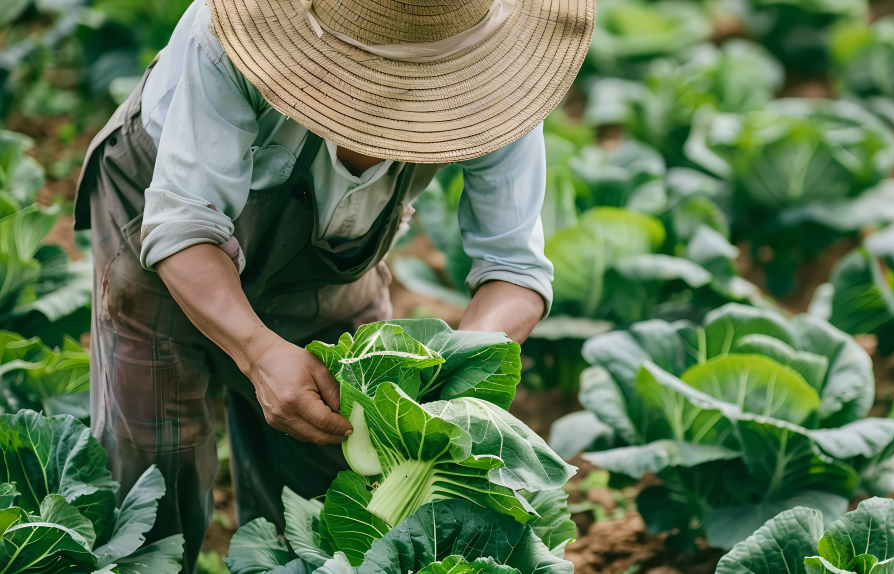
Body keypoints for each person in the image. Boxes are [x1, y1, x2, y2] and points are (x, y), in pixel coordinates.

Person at [72, 0, 593, 569]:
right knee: (153, 475)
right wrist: (258, 350)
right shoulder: (230, 36)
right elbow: (183, 225)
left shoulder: (501, 79)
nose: (396, 99)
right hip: (162, 234)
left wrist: (450, 383)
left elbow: (512, 269)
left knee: (333, 498)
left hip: (331, 263)